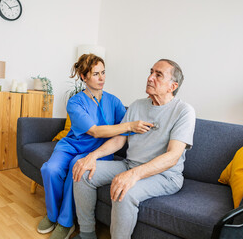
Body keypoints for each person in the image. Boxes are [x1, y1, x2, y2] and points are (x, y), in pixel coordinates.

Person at [72, 59, 196, 239]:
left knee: (124, 190)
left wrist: (134, 175)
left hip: (165, 176)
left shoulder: (184, 111)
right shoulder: (137, 105)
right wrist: (92, 156)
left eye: (158, 75)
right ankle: (87, 234)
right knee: (83, 172)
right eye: (151, 71)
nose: (150, 77)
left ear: (172, 86)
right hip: (129, 164)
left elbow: (173, 156)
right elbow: (118, 141)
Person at [38, 54, 153, 239]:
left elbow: (122, 132)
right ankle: (52, 216)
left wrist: (135, 128)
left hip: (97, 151)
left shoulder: (114, 102)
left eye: (103, 73)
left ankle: (65, 223)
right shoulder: (75, 102)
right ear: (84, 77)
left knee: (78, 168)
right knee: (50, 170)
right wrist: (130, 125)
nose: (101, 78)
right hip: (72, 145)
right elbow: (95, 131)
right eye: (95, 74)